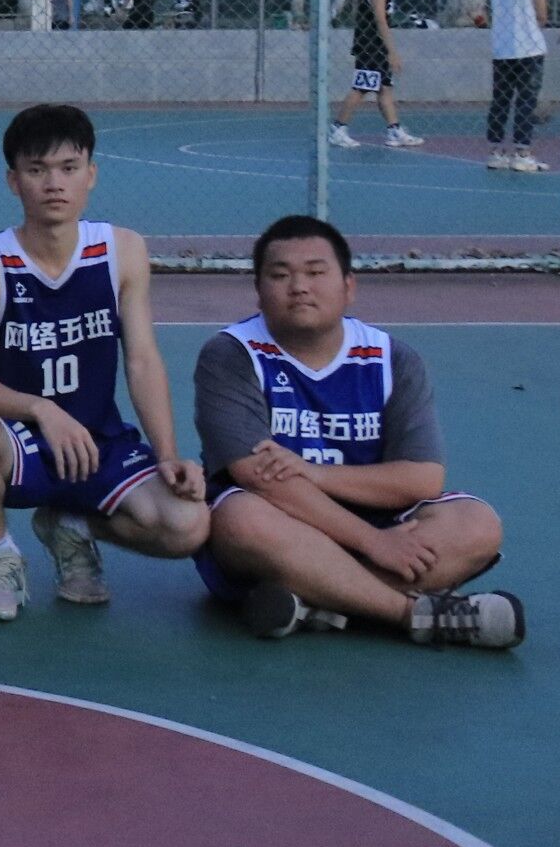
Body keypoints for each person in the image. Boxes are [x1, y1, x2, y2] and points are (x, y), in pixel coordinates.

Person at [191, 216, 524, 648]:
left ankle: (315, 603)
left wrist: (316, 473)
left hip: (378, 525)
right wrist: (374, 543)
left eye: (315, 272)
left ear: (349, 286)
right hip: (284, 527)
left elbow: (422, 478)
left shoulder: (392, 358)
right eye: (280, 275)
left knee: (477, 524)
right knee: (240, 519)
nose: (299, 287)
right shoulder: (232, 355)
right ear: (258, 289)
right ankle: (412, 614)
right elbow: (258, 477)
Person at [0, 105, 209, 622]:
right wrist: (42, 410)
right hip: (21, 443)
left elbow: (142, 360)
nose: (54, 184)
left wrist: (168, 454)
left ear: (91, 174)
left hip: (96, 441)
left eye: (68, 168)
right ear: (14, 181)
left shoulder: (122, 250)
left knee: (188, 525)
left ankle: (72, 527)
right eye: (37, 170)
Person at [332, 0, 423, 149]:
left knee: (385, 88)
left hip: (376, 44)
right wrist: (392, 51)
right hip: (371, 45)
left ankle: (394, 130)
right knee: (361, 88)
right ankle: (338, 129)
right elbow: (380, 20)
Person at [473, 0, 550, 172]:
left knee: (501, 99)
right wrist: (535, 21)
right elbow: (542, 13)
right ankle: (522, 153)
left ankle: (495, 151)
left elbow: (483, 12)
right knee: (526, 100)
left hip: (502, 47)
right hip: (529, 46)